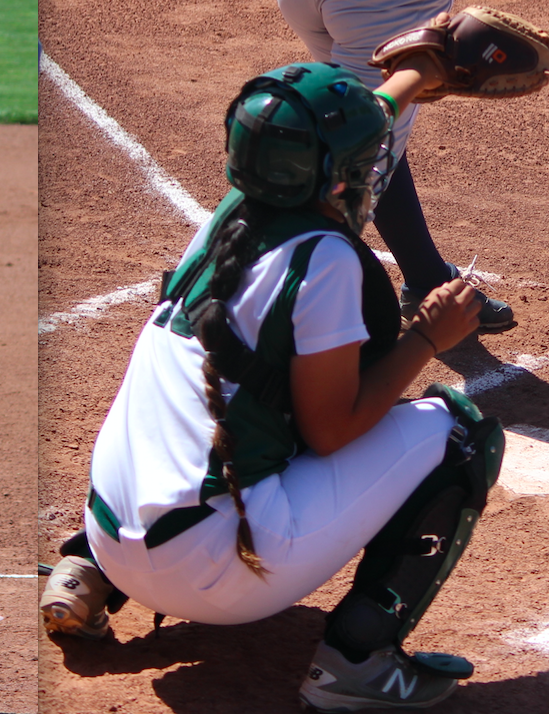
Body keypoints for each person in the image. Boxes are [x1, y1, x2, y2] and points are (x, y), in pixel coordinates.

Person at [40, 49, 505, 712]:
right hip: (215, 574)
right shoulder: (324, 263)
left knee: (204, 404)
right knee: (460, 434)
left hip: (117, 543)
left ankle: (82, 571)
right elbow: (329, 431)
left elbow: (354, 122)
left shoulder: (227, 215)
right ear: (336, 174)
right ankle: (357, 662)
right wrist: (427, 337)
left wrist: (418, 78)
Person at [276, 0, 515, 333]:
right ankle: (280, 308)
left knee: (357, 123)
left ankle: (426, 278)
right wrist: (425, 343)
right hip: (379, 7)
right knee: (361, 147)